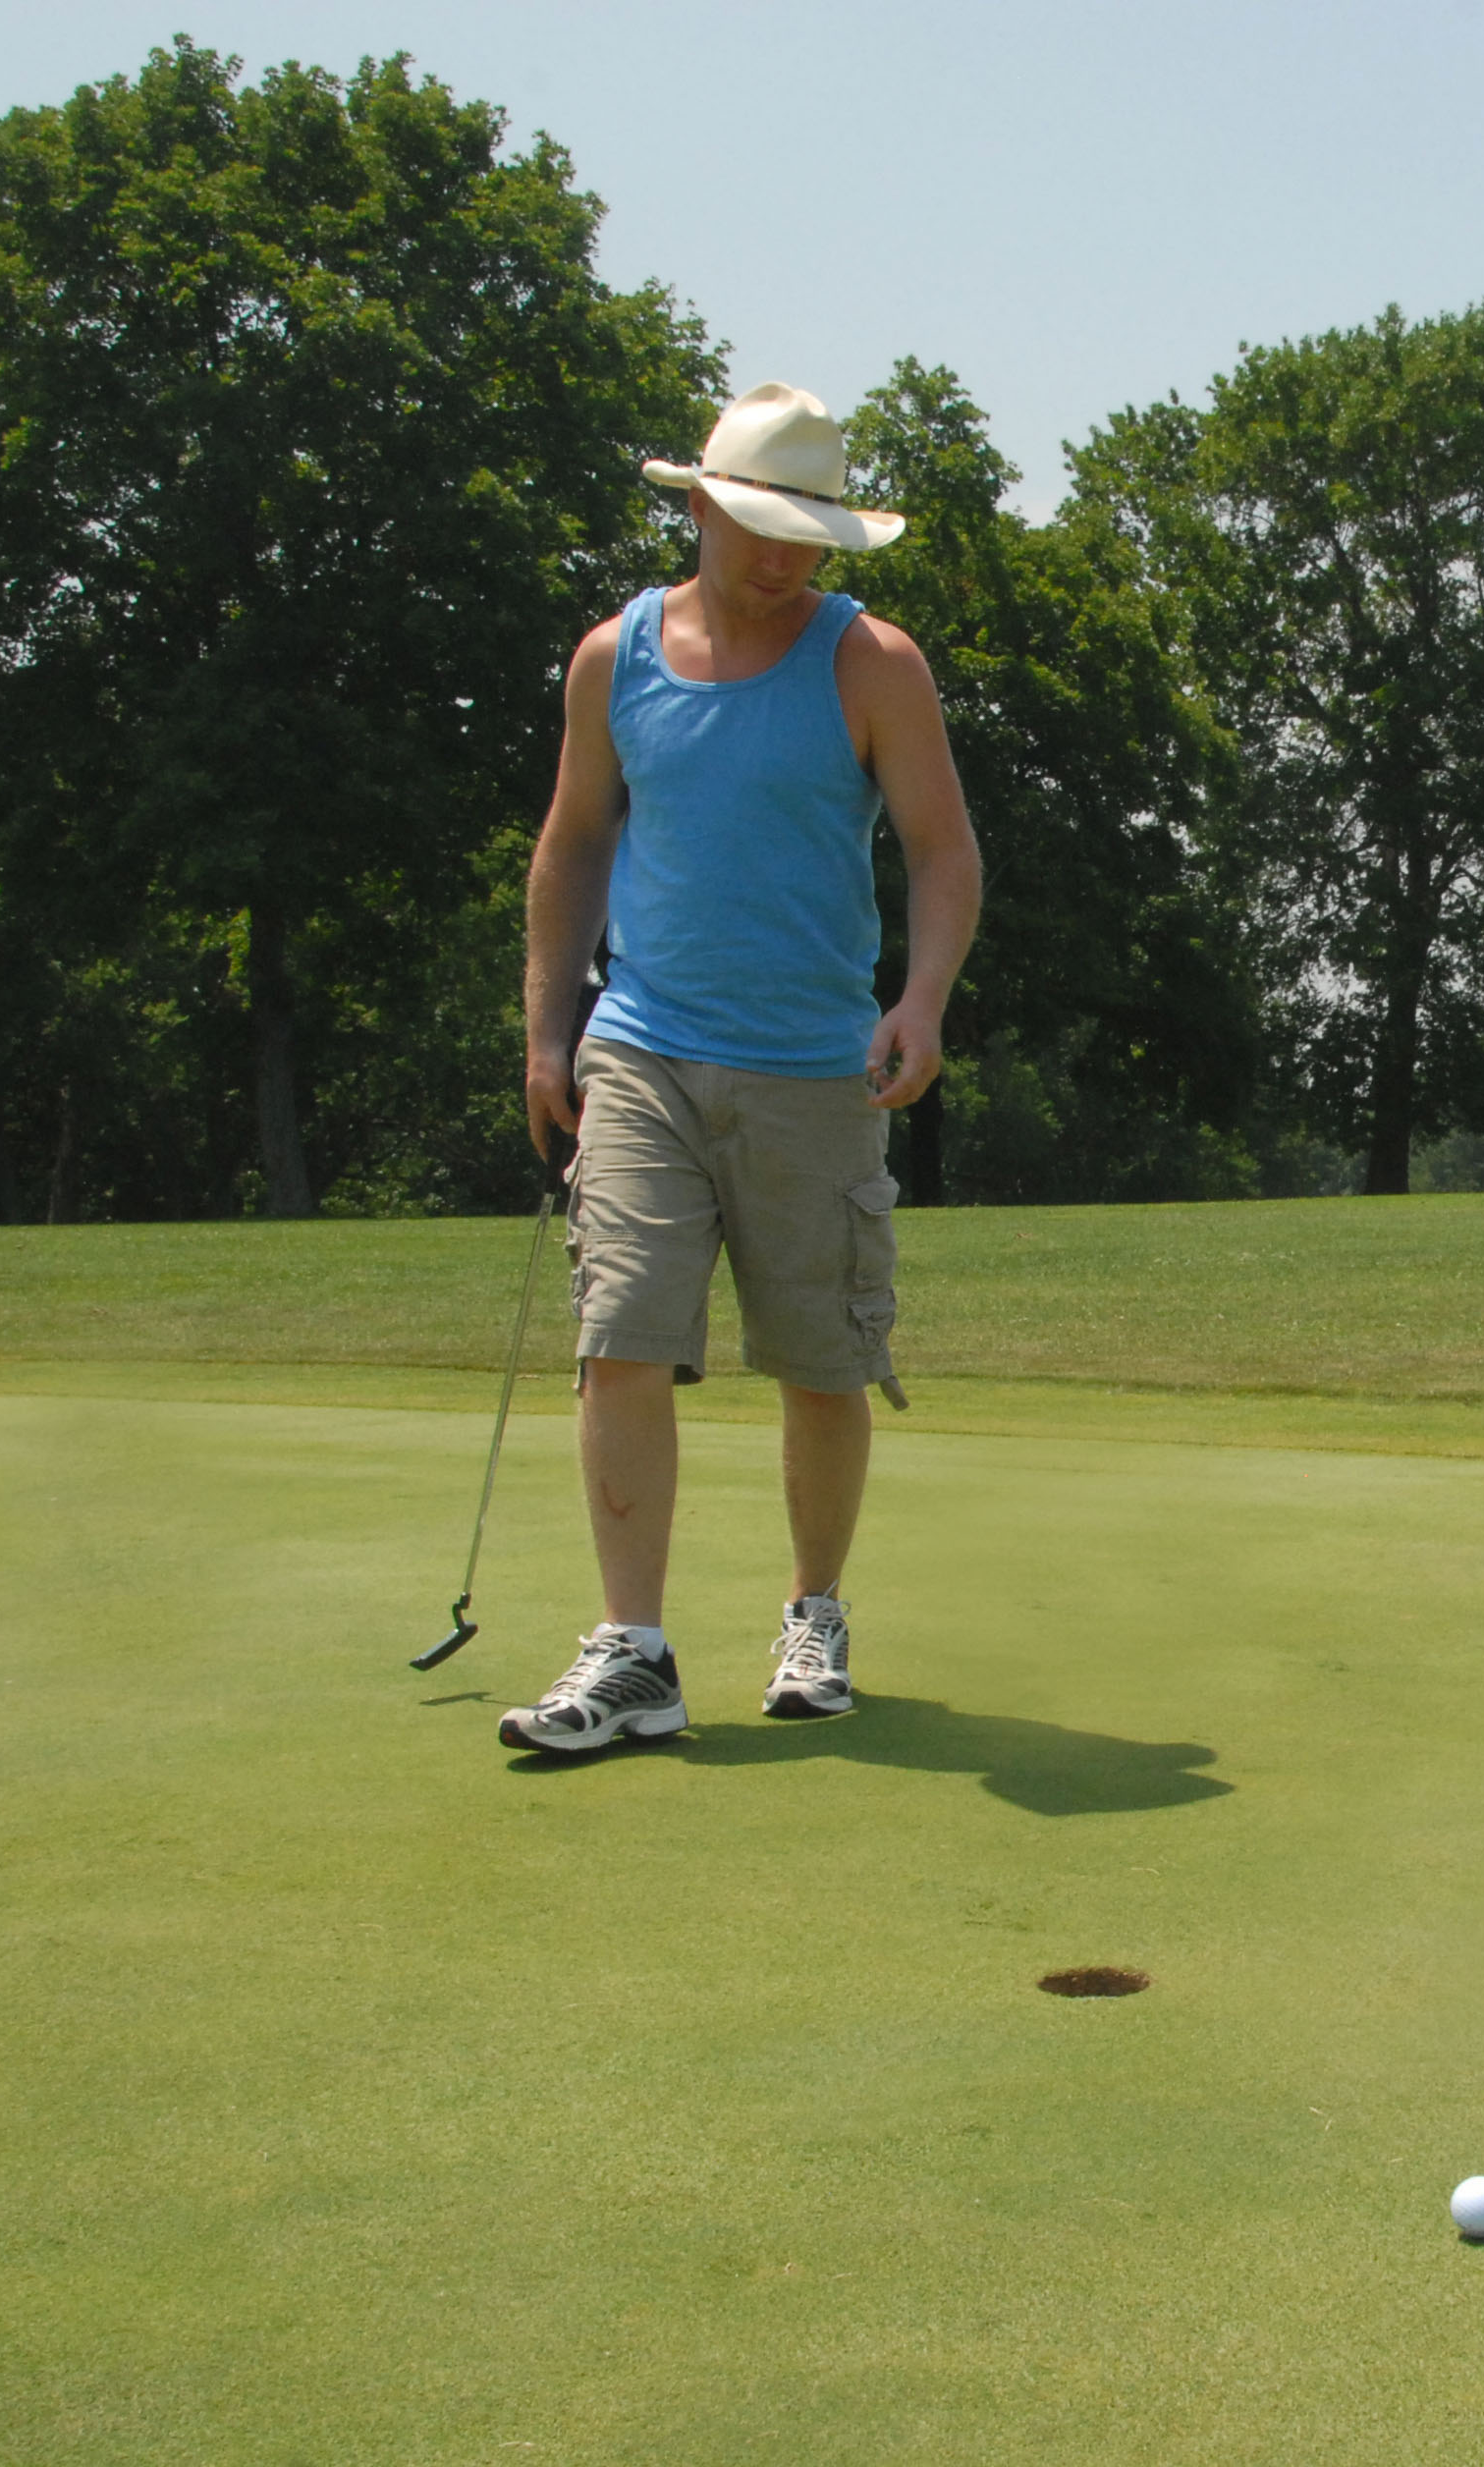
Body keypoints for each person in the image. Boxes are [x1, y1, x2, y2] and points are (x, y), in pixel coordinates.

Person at [500, 381, 983, 1754]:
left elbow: (944, 852)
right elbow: (574, 841)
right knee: (621, 1340)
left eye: (810, 533)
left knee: (822, 1362)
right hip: (643, 1047)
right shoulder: (615, 659)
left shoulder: (871, 661)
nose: (784, 557)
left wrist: (922, 998)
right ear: (700, 505)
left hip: (818, 1065)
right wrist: (547, 1028)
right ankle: (635, 1653)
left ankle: (814, 1611)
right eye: (762, 525)